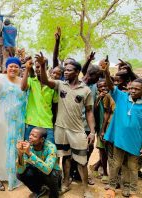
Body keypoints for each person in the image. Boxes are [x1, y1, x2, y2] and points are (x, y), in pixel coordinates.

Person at [38, 52, 95, 198]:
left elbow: (89, 112)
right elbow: (45, 80)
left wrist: (92, 132)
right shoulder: (60, 84)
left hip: (77, 130)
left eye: (69, 70)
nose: (66, 72)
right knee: (64, 157)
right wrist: (43, 65)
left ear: (77, 72)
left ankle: (86, 189)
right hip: (60, 129)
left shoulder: (86, 90)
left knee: (82, 161)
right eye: (65, 70)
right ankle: (64, 183)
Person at [102, 59, 142, 198]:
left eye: (137, 89)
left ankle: (131, 190)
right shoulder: (122, 97)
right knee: (115, 164)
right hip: (119, 139)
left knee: (132, 167)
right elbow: (111, 87)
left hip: (135, 142)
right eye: (131, 88)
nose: (133, 91)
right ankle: (112, 187)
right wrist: (106, 72)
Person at [0, 57, 27, 191]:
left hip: (17, 123)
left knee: (14, 149)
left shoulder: (23, 82)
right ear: (6, 67)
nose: (13, 69)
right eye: (11, 66)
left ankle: (12, 174)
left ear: (20, 68)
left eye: (16, 66)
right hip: (0, 121)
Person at [16, 127, 62, 198]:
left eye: (34, 136)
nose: (30, 137)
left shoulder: (51, 147)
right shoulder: (29, 147)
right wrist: (20, 154)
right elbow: (20, 170)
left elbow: (47, 170)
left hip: (52, 175)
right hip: (38, 173)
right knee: (20, 174)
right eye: (30, 135)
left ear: (42, 139)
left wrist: (29, 154)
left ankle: (54, 194)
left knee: (52, 174)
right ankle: (39, 190)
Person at [21, 57, 58, 143]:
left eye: (42, 66)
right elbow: (23, 88)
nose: (39, 69)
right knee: (28, 151)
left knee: (50, 150)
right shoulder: (31, 80)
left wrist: (55, 123)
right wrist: (27, 68)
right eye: (37, 67)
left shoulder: (52, 84)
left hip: (47, 124)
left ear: (47, 67)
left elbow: (55, 106)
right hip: (31, 123)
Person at [91, 79, 114, 184]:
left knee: (111, 151)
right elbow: (93, 111)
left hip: (111, 127)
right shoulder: (98, 98)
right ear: (97, 88)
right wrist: (98, 98)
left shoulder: (112, 96)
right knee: (103, 151)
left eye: (105, 85)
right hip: (101, 128)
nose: (103, 88)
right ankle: (105, 172)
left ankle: (95, 167)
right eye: (100, 86)